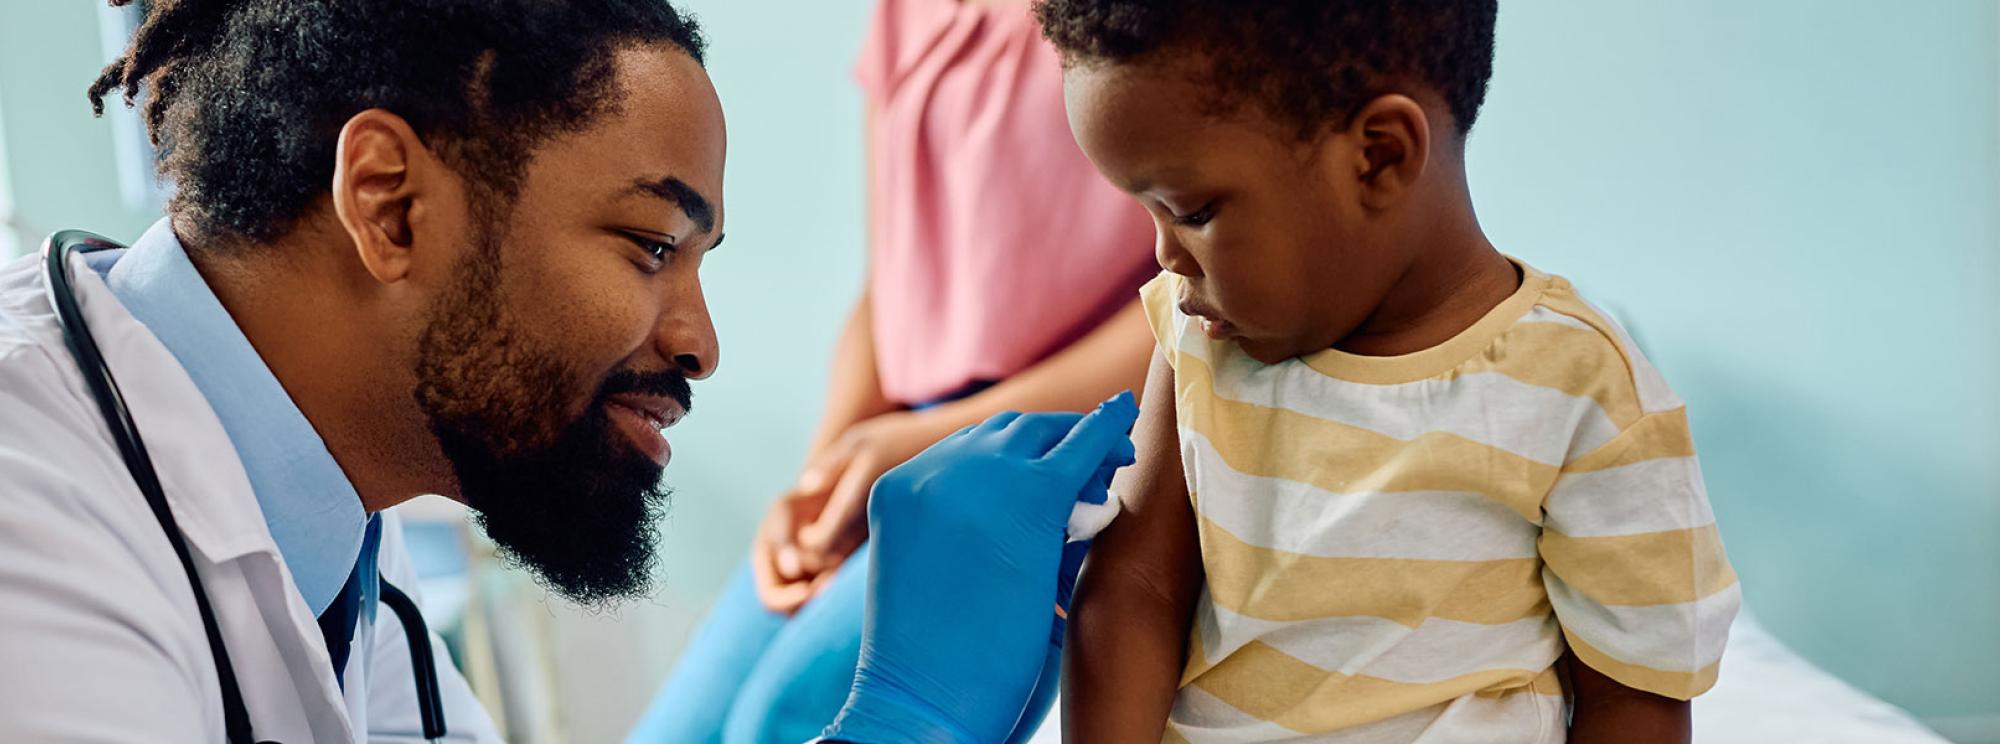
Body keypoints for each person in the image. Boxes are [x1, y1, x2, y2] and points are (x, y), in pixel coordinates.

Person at [0, 0, 1131, 741]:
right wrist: (905, 721)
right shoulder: (32, 523)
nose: (699, 342)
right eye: (648, 247)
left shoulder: (336, 553)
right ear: (391, 205)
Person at [1034, 1, 1743, 742]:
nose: (1165, 259)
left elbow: (1636, 698)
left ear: (1378, 155)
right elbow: (1133, 593)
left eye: (1193, 211)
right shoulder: (1199, 344)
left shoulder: (1581, 388)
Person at [626, 0, 1156, 740]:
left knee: (780, 718)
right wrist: (822, 481)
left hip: (1059, 454)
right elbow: (892, 282)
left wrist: (914, 444)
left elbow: (1178, 309)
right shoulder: (910, 11)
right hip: (901, 442)